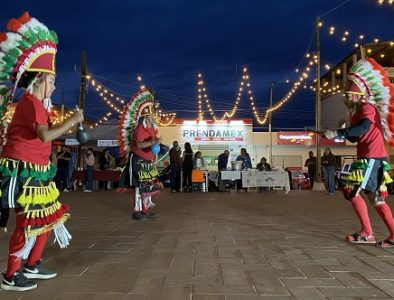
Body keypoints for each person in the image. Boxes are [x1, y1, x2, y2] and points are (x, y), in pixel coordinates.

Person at [0, 12, 84, 291]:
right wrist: (72, 122)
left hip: (37, 170)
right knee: (27, 224)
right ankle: (11, 275)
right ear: (37, 81)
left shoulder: (40, 105)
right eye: (51, 80)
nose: (54, 84)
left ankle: (32, 264)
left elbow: (46, 140)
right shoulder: (31, 102)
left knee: (48, 218)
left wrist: (49, 157)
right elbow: (45, 134)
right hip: (23, 171)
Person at [323, 57, 394, 248]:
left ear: (359, 92)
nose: (348, 97)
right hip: (371, 158)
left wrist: (339, 132)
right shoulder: (358, 111)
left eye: (350, 93)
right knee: (375, 198)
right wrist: (339, 132)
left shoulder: (367, 107)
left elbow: (363, 129)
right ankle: (389, 234)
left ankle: (367, 233)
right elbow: (355, 137)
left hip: (372, 157)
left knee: (351, 190)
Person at [117, 88, 162, 220]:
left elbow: (152, 145)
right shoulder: (140, 128)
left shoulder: (152, 129)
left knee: (147, 186)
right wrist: (154, 141)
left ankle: (145, 211)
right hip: (138, 160)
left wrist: (157, 144)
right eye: (152, 114)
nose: (154, 116)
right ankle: (136, 212)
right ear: (146, 115)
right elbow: (139, 144)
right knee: (139, 187)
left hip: (148, 162)